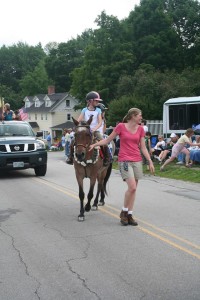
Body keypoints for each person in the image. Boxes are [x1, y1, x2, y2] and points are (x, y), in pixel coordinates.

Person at [89, 108, 155, 226]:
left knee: (134, 190)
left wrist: (150, 161)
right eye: (140, 115)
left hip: (137, 160)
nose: (141, 118)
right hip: (124, 160)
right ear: (133, 116)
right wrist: (94, 144)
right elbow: (108, 140)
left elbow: (143, 147)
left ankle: (129, 214)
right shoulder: (120, 126)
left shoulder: (140, 129)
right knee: (132, 187)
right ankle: (124, 212)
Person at [66, 91, 110, 166]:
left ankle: (107, 158)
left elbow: (99, 122)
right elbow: (79, 119)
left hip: (95, 131)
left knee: (104, 143)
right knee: (73, 141)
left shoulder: (98, 110)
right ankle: (70, 157)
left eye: (98, 101)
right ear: (90, 101)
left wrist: (94, 129)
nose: (97, 102)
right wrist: (76, 126)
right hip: (86, 130)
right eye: (96, 100)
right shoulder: (84, 110)